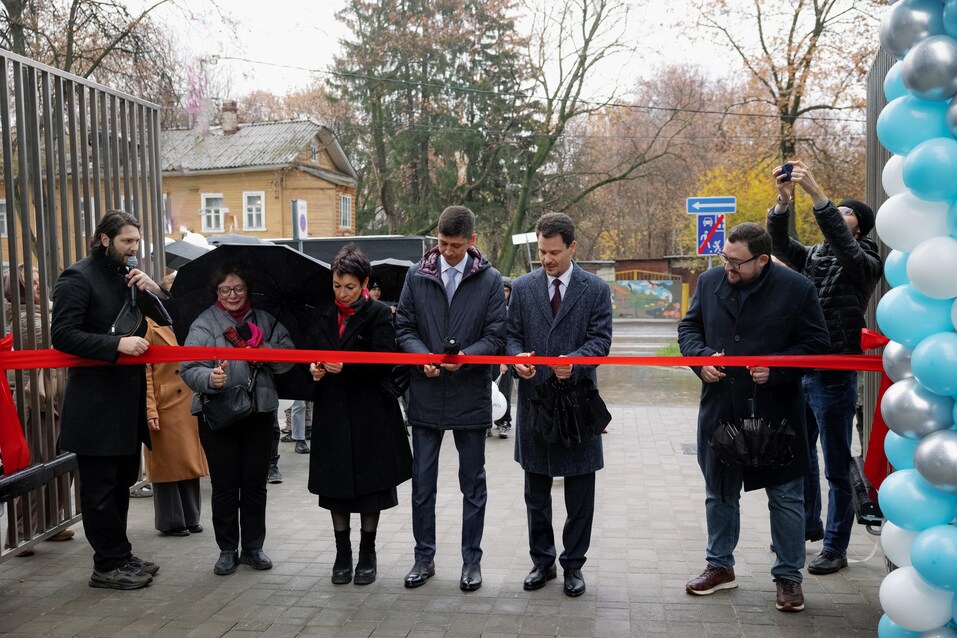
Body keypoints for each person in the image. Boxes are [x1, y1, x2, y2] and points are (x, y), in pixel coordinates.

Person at [677, 222, 829, 613]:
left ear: (762, 259)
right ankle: (719, 566)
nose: (728, 267)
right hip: (721, 407)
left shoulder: (797, 289)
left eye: (737, 262)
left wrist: (776, 369)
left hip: (776, 411)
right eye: (725, 257)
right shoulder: (710, 281)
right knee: (719, 492)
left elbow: (816, 345)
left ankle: (789, 576)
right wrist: (701, 360)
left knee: (786, 497)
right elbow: (688, 327)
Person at [767, 160, 882, 575]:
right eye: (841, 210)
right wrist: (783, 202)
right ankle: (806, 527)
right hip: (804, 369)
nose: (841, 215)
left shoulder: (865, 259)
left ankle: (836, 547)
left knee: (835, 464)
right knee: (799, 455)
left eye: (848, 212)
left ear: (858, 227)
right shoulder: (814, 255)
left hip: (834, 375)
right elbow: (781, 245)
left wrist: (818, 194)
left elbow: (843, 241)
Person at [50, 210, 168, 590]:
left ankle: (121, 554)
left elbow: (170, 319)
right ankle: (107, 565)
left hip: (124, 405)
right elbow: (63, 336)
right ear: (105, 240)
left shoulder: (129, 278)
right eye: (127, 242)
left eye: (137, 242)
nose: (134, 249)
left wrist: (153, 290)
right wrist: (117, 344)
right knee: (99, 490)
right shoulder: (77, 277)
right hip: (95, 406)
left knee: (120, 485)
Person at [395, 205, 506, 592]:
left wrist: (465, 359)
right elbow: (403, 326)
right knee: (423, 485)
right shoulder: (417, 275)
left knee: (472, 485)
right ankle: (423, 559)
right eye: (442, 243)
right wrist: (420, 356)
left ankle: (471, 562)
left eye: (456, 245)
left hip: (470, 396)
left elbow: (496, 335)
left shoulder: (490, 280)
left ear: (472, 242)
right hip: (424, 396)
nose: (448, 252)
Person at [506, 212, 613, 598]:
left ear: (572, 247)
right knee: (535, 490)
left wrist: (576, 361)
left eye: (553, 252)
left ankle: (573, 565)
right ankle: (542, 562)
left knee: (580, 492)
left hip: (578, 404)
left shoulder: (595, 289)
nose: (547, 259)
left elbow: (601, 341)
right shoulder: (522, 287)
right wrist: (518, 360)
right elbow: (511, 336)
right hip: (536, 401)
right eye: (541, 252)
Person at [307, 244, 413, 586]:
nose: (342, 293)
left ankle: (368, 551)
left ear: (364, 283)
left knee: (370, 486)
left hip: (370, 412)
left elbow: (385, 363)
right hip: (332, 410)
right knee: (335, 485)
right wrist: (316, 370)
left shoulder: (380, 313)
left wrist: (347, 367)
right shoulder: (322, 312)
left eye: (350, 287)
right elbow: (309, 351)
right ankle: (342, 552)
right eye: (337, 286)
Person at [180, 263, 295, 576]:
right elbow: (188, 367)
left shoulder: (265, 321)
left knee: (255, 484)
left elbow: (289, 355)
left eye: (238, 288)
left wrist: (266, 352)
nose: (232, 295)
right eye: (225, 289)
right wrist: (209, 378)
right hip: (219, 416)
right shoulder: (204, 324)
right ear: (217, 291)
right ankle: (227, 549)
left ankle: (254, 548)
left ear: (248, 289)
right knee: (225, 486)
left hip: (259, 413)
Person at [3, 265, 73, 556]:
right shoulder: (21, 317)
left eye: (38, 280)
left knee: (58, 460)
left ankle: (51, 522)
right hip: (34, 401)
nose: (38, 286)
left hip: (53, 398)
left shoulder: (44, 311)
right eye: (31, 283)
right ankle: (20, 533)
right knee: (34, 466)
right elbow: (54, 334)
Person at [143, 275, 210, 537]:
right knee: (167, 465)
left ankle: (191, 516)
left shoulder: (190, 322)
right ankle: (171, 521)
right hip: (165, 403)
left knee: (189, 463)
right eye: (169, 291)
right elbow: (145, 371)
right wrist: (149, 409)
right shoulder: (148, 325)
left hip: (188, 401)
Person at [493, 277, 513, 439]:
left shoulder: (512, 312)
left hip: (504, 358)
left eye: (506, 290)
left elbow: (512, 339)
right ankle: (488, 421)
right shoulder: (490, 309)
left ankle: (505, 421)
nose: (503, 293)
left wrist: (505, 360)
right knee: (488, 391)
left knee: (504, 391)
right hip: (488, 358)